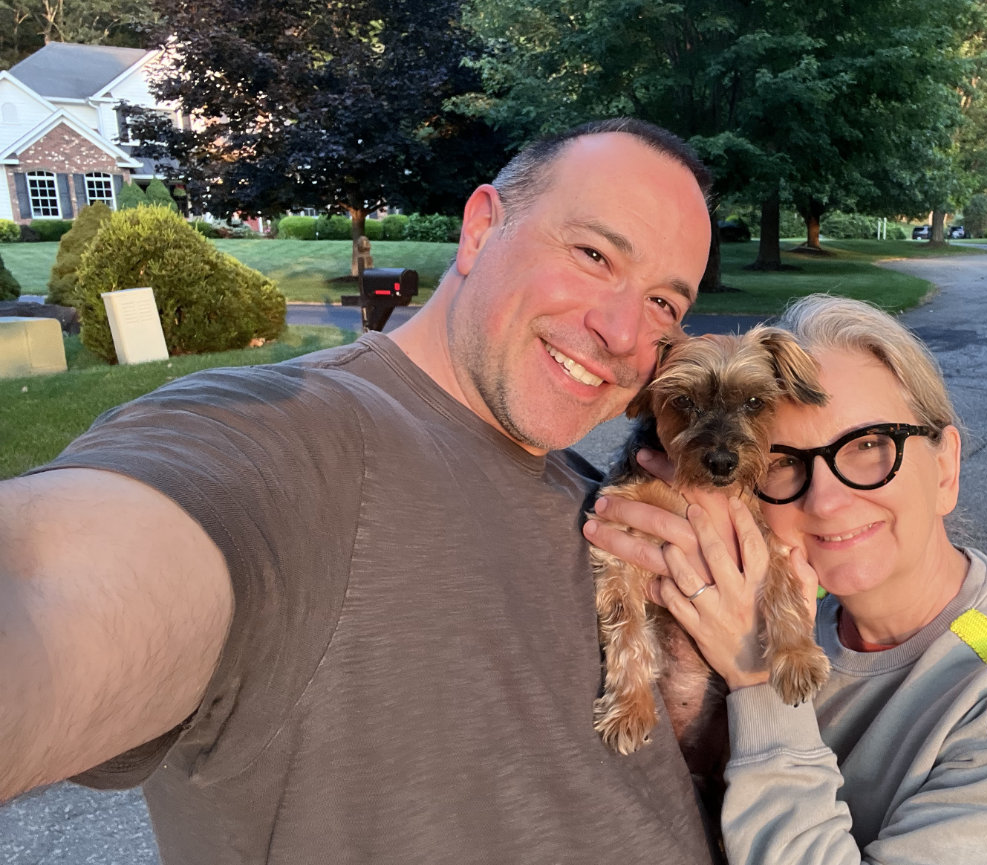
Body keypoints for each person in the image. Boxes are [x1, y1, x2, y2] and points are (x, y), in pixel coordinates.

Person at [0, 118, 722, 864]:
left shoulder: (597, 495)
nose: (621, 331)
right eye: (594, 254)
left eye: (664, 304)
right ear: (479, 230)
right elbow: (50, 584)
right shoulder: (304, 438)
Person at [586, 294, 987, 864]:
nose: (826, 500)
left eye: (870, 446)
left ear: (946, 467)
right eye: (783, 461)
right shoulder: (808, 615)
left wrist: (759, 681)